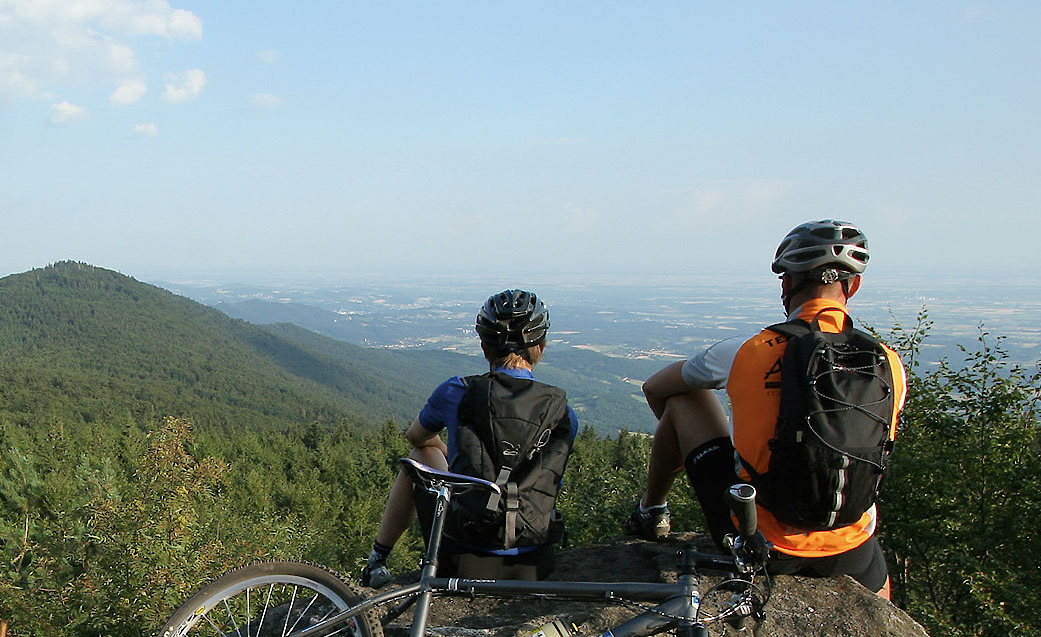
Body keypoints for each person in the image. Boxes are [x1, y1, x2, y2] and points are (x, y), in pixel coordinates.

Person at [623, 220, 905, 600]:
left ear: (787, 283)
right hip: (849, 548)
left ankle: (652, 511)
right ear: (853, 286)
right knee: (879, 597)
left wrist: (710, 449)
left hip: (759, 539)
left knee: (684, 397)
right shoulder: (888, 364)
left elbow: (656, 388)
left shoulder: (747, 350)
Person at [362, 289, 576, 586]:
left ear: (484, 346)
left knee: (418, 458)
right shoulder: (563, 412)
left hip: (461, 556)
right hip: (535, 562)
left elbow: (416, 437)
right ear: (541, 346)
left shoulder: (457, 392)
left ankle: (377, 560)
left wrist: (449, 456)